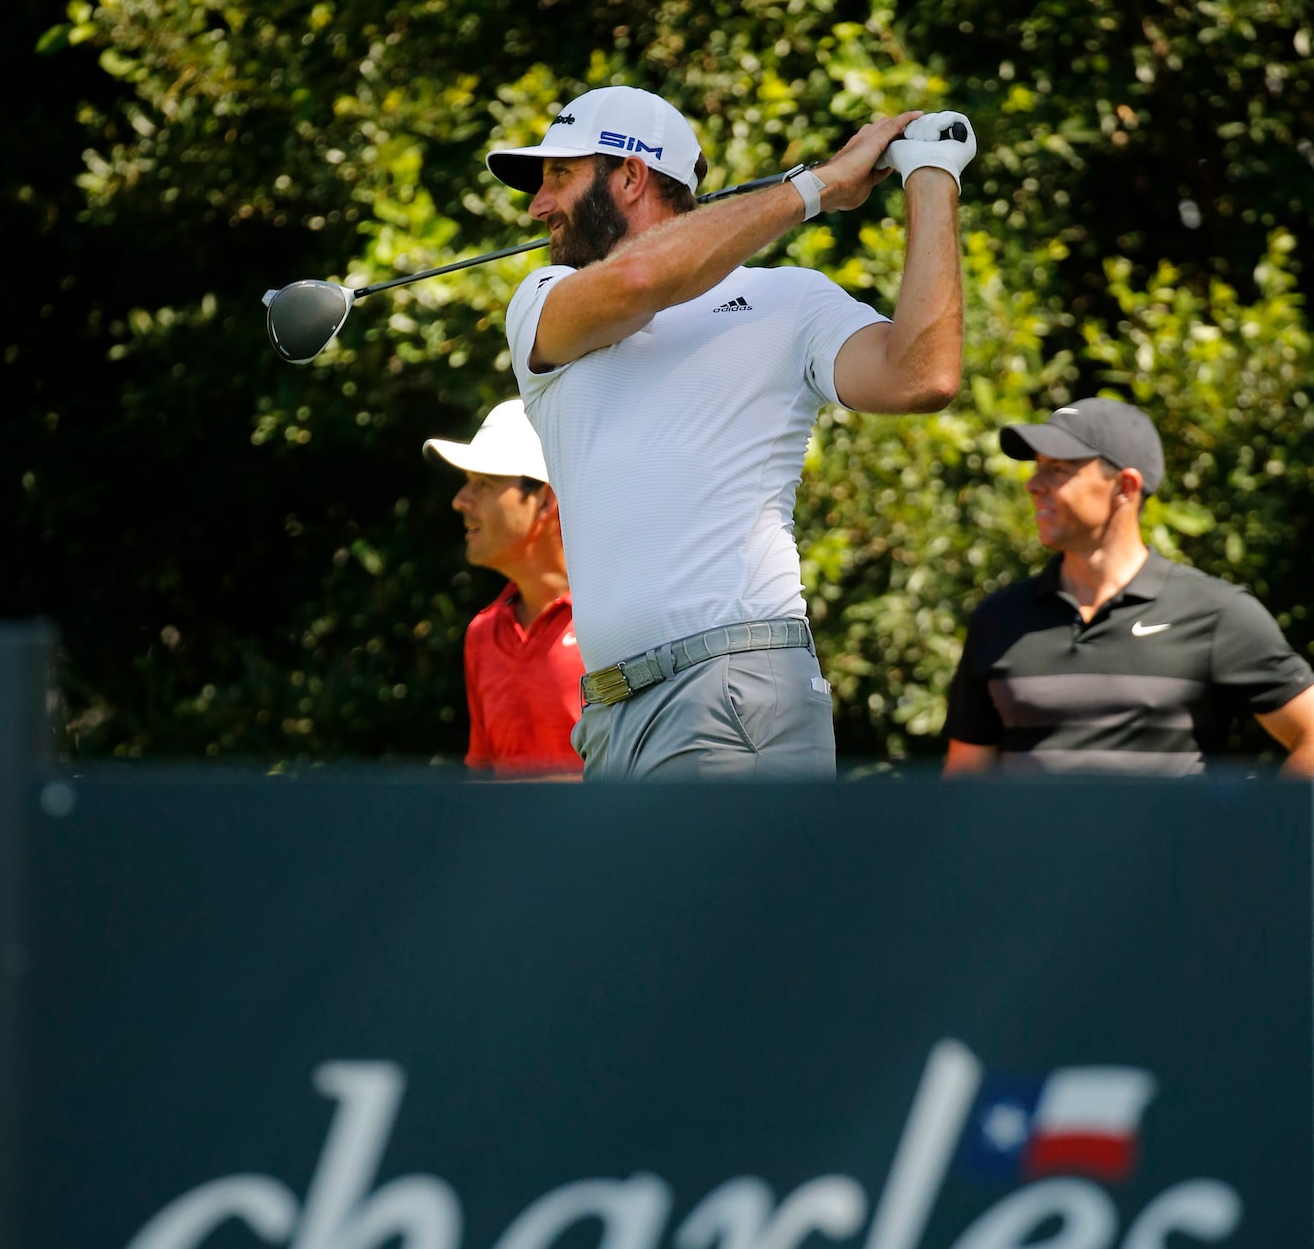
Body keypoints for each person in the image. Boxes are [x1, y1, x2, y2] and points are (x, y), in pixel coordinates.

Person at [486, 85, 974, 779]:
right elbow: (643, 275)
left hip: (729, 690)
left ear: (630, 175)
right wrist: (818, 186)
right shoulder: (541, 304)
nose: (537, 205)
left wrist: (930, 175)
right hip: (606, 719)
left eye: (559, 176)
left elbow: (920, 376)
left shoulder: (791, 299)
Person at [944, 397, 1314, 776]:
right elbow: (964, 788)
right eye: (1038, 467)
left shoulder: (1215, 613)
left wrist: (1267, 834)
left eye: (1057, 469)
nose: (1033, 485)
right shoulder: (998, 619)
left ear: (1124, 486)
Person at [423, 398, 582, 778]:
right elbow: (484, 782)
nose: (460, 501)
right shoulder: (483, 634)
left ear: (544, 499)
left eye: (483, 483)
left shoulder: (615, 621)